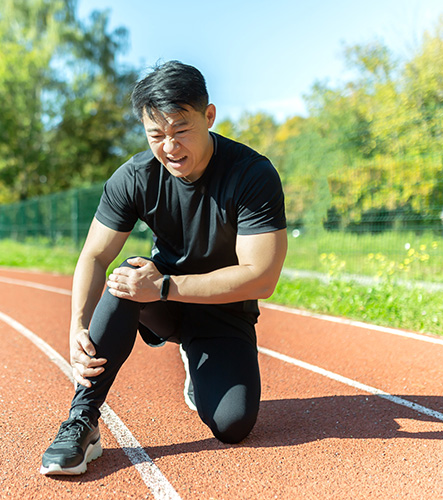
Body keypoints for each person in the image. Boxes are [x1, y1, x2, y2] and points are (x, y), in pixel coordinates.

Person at [39, 61, 288, 476]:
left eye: (180, 130)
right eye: (156, 134)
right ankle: (82, 420)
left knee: (233, 425)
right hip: (162, 304)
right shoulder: (136, 176)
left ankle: (197, 363)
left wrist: (166, 285)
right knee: (125, 275)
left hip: (223, 309)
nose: (169, 146)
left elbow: (261, 277)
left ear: (208, 116)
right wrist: (76, 327)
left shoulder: (252, 175)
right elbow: (95, 256)